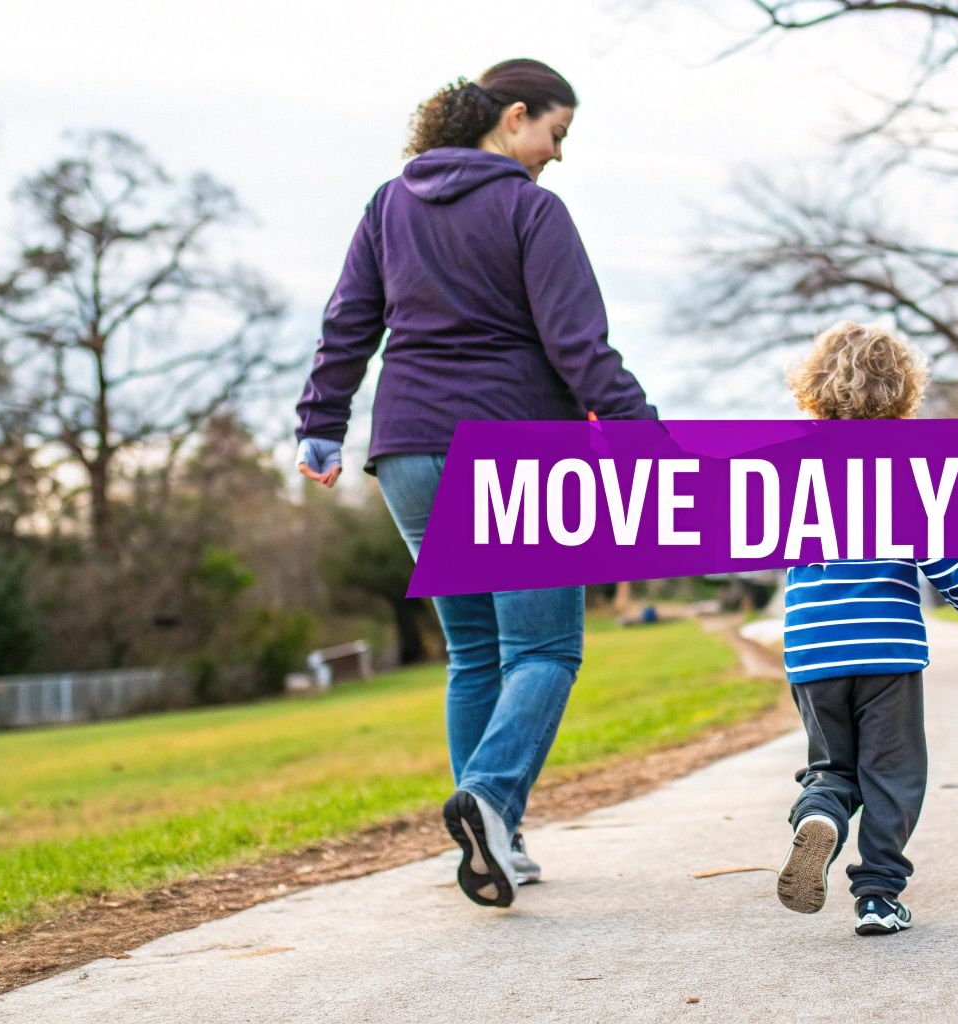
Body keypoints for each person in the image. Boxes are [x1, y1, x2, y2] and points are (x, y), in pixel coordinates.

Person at [292, 59, 656, 909]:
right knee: (545, 650)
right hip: (517, 448)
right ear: (516, 116)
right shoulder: (531, 209)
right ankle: (491, 800)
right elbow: (579, 346)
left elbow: (348, 322)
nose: (557, 155)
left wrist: (319, 422)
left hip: (411, 449)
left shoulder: (390, 203)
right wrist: (645, 434)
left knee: (476, 654)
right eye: (555, 135)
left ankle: (499, 839)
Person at [773, 321, 958, 935]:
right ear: (903, 391)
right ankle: (877, 894)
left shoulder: (788, 462)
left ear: (815, 386)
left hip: (813, 648)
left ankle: (818, 815)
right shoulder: (906, 465)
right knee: (892, 775)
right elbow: (938, 551)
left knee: (833, 766)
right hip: (886, 646)